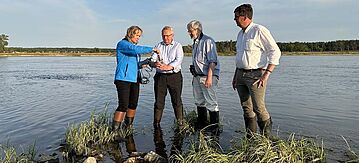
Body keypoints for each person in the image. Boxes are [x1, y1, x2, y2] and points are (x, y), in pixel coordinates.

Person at [232, 4, 281, 138]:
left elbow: (275, 51)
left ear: (245, 17)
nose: (234, 20)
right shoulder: (240, 34)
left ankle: (267, 140)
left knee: (259, 108)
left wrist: (266, 75)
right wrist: (235, 76)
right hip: (240, 74)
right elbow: (240, 57)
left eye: (236, 17)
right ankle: (251, 138)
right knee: (246, 108)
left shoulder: (259, 30)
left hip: (256, 75)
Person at [113, 25, 160, 131]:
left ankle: (128, 128)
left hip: (134, 79)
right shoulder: (123, 44)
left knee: (133, 104)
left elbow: (136, 65)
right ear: (130, 34)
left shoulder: (133, 49)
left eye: (139, 36)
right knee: (123, 105)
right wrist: (153, 49)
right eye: (137, 35)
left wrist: (146, 62)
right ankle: (115, 132)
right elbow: (135, 49)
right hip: (123, 79)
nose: (138, 38)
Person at [186, 20, 220, 131]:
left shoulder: (208, 41)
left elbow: (212, 61)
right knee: (199, 100)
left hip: (207, 76)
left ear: (197, 30)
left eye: (190, 31)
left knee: (211, 102)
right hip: (197, 76)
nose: (189, 33)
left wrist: (209, 78)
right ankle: (202, 124)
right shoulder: (195, 42)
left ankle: (214, 128)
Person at [151, 26, 184, 127]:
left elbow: (178, 60)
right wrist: (155, 63)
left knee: (177, 101)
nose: (166, 38)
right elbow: (152, 59)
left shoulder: (178, 46)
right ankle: (156, 125)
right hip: (160, 77)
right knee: (158, 102)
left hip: (174, 76)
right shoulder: (158, 46)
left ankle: (181, 124)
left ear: (172, 35)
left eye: (168, 36)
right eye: (164, 36)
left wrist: (168, 67)